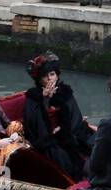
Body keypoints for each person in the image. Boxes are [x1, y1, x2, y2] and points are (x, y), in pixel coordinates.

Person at [22, 52, 94, 181]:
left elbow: (74, 116)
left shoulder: (65, 91)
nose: (50, 79)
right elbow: (33, 125)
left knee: (92, 142)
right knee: (60, 155)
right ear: (39, 79)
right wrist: (44, 100)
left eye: (52, 74)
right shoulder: (33, 97)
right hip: (48, 138)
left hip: (69, 132)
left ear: (57, 75)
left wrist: (65, 130)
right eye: (45, 76)